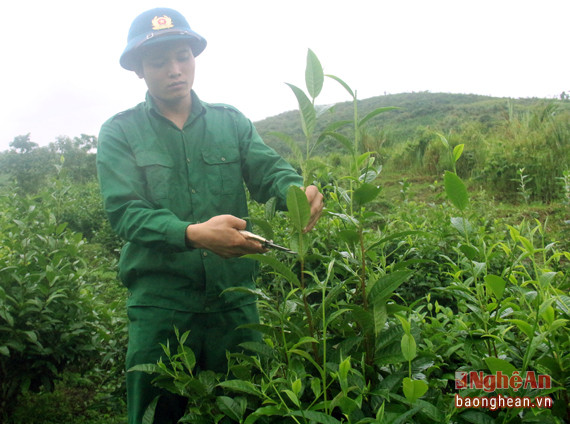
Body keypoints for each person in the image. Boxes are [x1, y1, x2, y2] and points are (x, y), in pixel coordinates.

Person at [96, 7, 323, 424]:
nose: (174, 69)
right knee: (154, 414)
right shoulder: (120, 132)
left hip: (234, 304)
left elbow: (269, 170)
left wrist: (297, 191)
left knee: (243, 410)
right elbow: (125, 212)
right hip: (160, 307)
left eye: (183, 56)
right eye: (158, 61)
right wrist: (194, 233)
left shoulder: (230, 122)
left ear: (194, 58)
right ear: (139, 71)